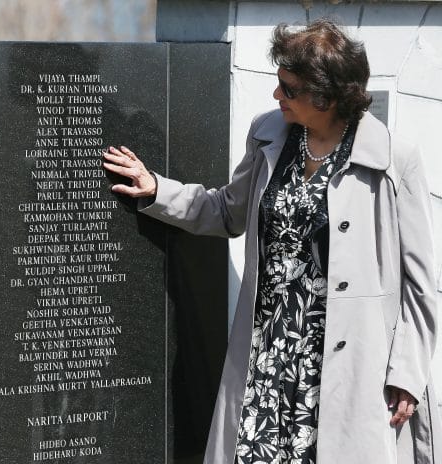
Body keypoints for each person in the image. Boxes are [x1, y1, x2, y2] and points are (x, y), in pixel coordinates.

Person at [103, 18, 440, 464]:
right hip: (267, 353)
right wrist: (156, 190)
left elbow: (420, 283)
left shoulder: (392, 160)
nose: (277, 95)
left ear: (327, 96)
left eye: (289, 89)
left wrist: (407, 373)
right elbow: (227, 211)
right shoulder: (271, 138)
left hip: (345, 367)